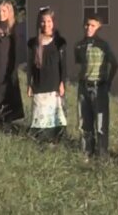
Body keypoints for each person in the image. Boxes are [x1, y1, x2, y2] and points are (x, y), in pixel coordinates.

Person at [74, 14, 118, 159]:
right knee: (84, 122)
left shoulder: (103, 46)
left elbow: (115, 64)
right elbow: (80, 65)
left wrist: (108, 81)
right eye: (87, 25)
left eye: (93, 25)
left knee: (100, 124)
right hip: (83, 87)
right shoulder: (79, 45)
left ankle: (102, 154)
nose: (89, 28)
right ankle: (87, 152)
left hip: (99, 87)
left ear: (99, 27)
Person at [26, 7, 67, 142]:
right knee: (40, 114)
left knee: (54, 115)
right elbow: (31, 66)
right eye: (43, 22)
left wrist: (62, 83)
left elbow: (63, 65)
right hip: (39, 85)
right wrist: (29, 84)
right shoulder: (34, 43)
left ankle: (55, 140)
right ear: (39, 23)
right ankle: (39, 140)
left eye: (49, 21)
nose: (46, 24)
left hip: (54, 85)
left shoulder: (59, 42)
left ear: (53, 22)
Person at [0, 0, 26, 125]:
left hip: (9, 68)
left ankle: (8, 120)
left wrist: (15, 68)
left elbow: (18, 51)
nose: (0, 13)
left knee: (8, 92)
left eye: (4, 11)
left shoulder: (14, 30)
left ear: (9, 12)